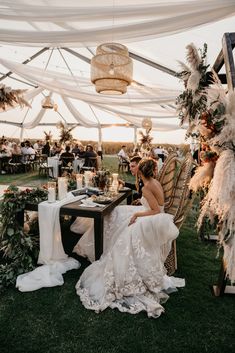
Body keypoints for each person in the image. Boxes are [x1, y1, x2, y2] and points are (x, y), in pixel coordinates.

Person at [74, 158, 184, 318]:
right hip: (158, 216)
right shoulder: (155, 183)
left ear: (140, 172)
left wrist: (137, 214)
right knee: (121, 219)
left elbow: (155, 211)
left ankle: (111, 254)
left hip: (152, 218)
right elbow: (157, 205)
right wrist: (143, 203)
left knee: (126, 233)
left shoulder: (146, 187)